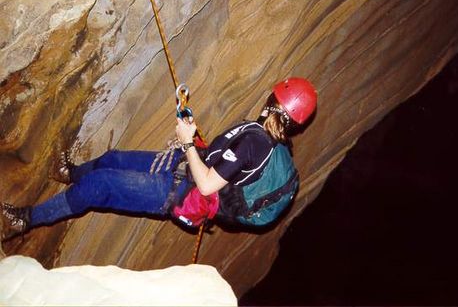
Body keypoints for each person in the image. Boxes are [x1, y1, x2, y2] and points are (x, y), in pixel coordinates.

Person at [1, 78, 317, 240]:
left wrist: (188, 142)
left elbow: (207, 186)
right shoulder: (267, 139)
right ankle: (69, 172)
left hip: (181, 191)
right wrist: (193, 142)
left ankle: (26, 220)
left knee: (101, 184)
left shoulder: (255, 143)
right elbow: (224, 161)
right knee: (115, 158)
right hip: (185, 166)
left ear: (274, 105)